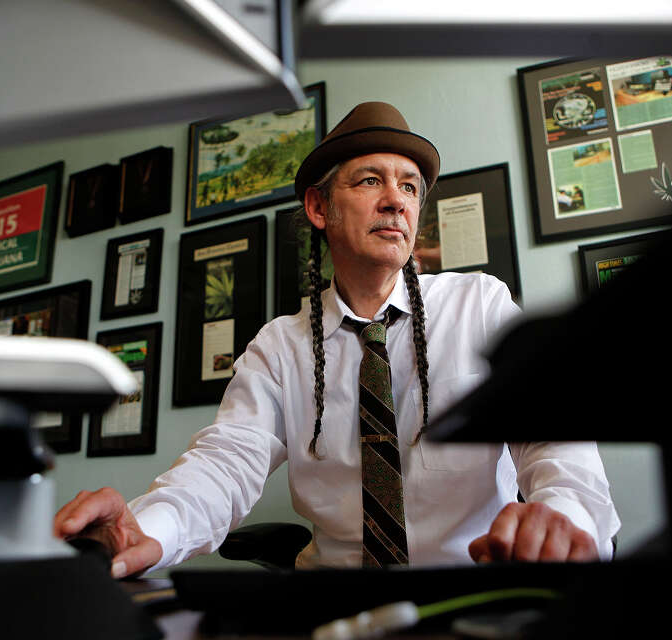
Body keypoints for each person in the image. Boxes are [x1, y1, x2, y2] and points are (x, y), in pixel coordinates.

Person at [54, 102, 620, 578]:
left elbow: (553, 440)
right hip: (334, 608)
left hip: (470, 593)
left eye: (409, 187)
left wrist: (563, 517)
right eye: (371, 180)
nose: (397, 200)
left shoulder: (481, 305)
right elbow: (225, 464)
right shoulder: (279, 347)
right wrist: (144, 527)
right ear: (319, 208)